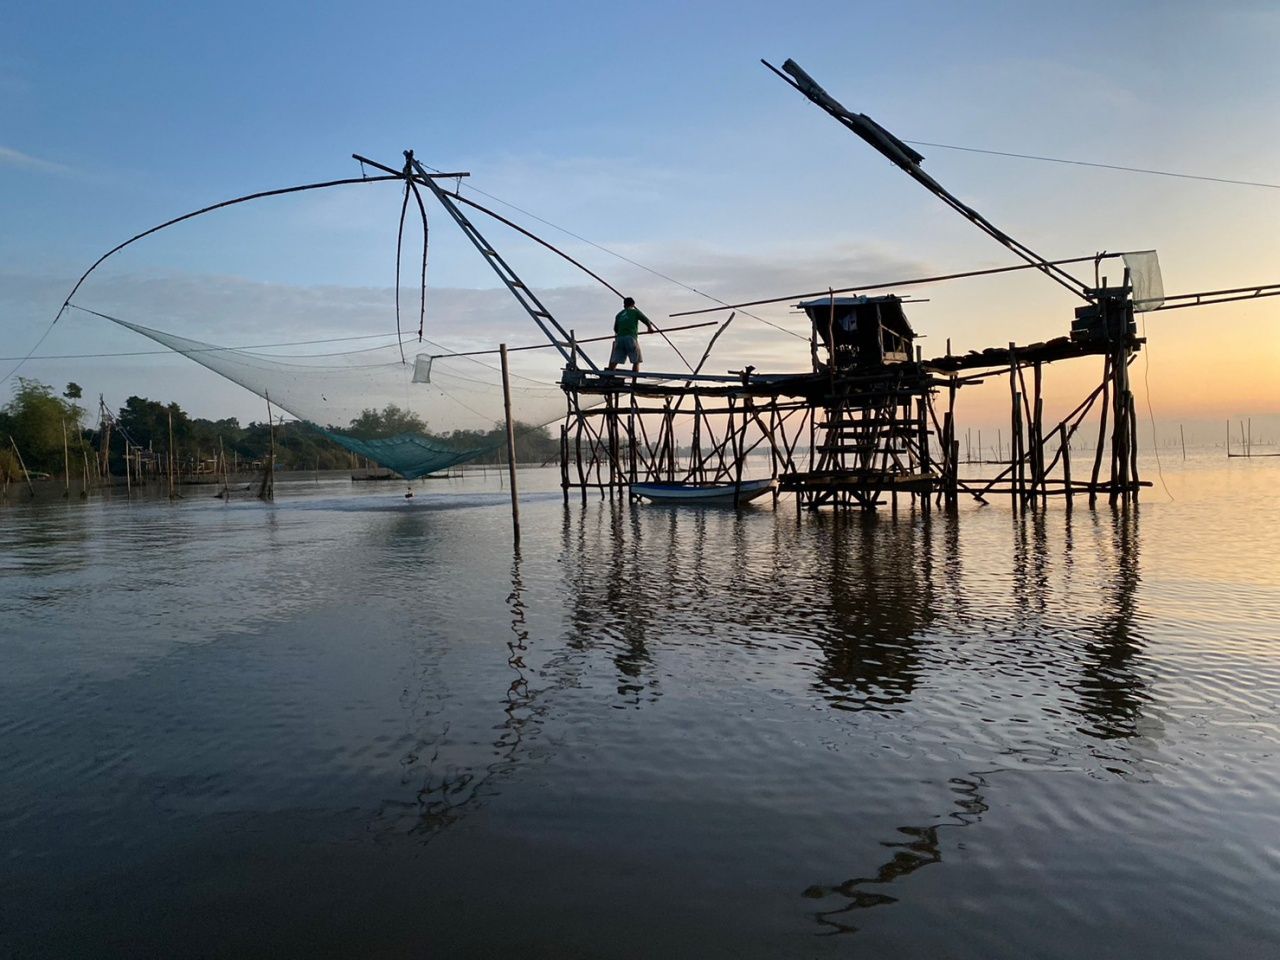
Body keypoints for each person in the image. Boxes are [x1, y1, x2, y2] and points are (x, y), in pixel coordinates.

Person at [607, 297, 655, 373]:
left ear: (624, 305)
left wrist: (620, 333)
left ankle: (609, 378)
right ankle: (633, 383)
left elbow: (616, 328)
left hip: (619, 339)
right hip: (630, 338)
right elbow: (646, 320)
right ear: (633, 304)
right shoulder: (635, 312)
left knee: (615, 360)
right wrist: (650, 328)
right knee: (636, 360)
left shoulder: (619, 315)